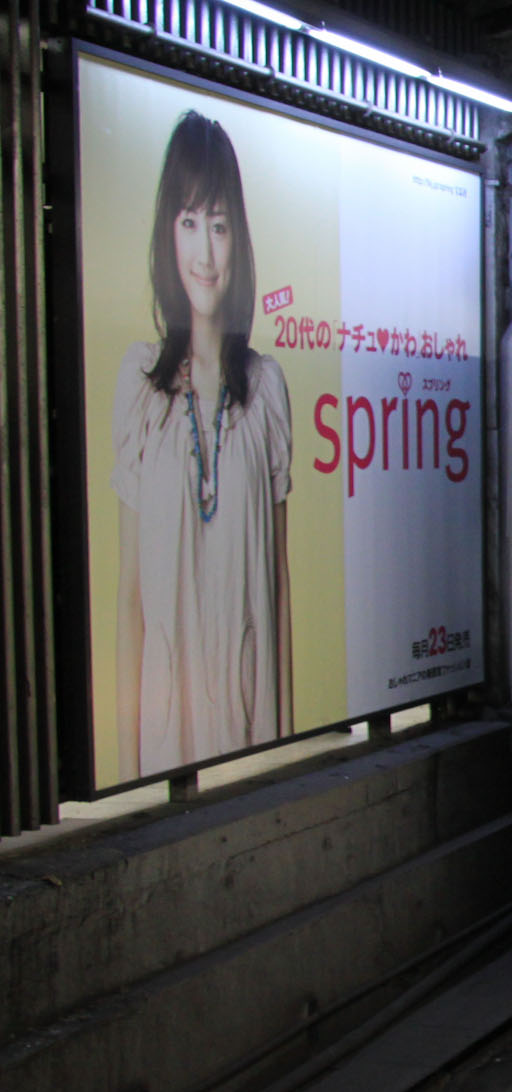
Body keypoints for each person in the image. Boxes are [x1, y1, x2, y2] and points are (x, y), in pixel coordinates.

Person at [115, 110, 293, 779]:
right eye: (188, 221)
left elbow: (278, 590)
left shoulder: (265, 389)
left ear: (237, 237)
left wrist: (289, 753)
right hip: (166, 738)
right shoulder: (141, 386)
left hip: (250, 723)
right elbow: (129, 599)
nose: (205, 253)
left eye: (218, 225)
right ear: (168, 231)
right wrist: (126, 781)